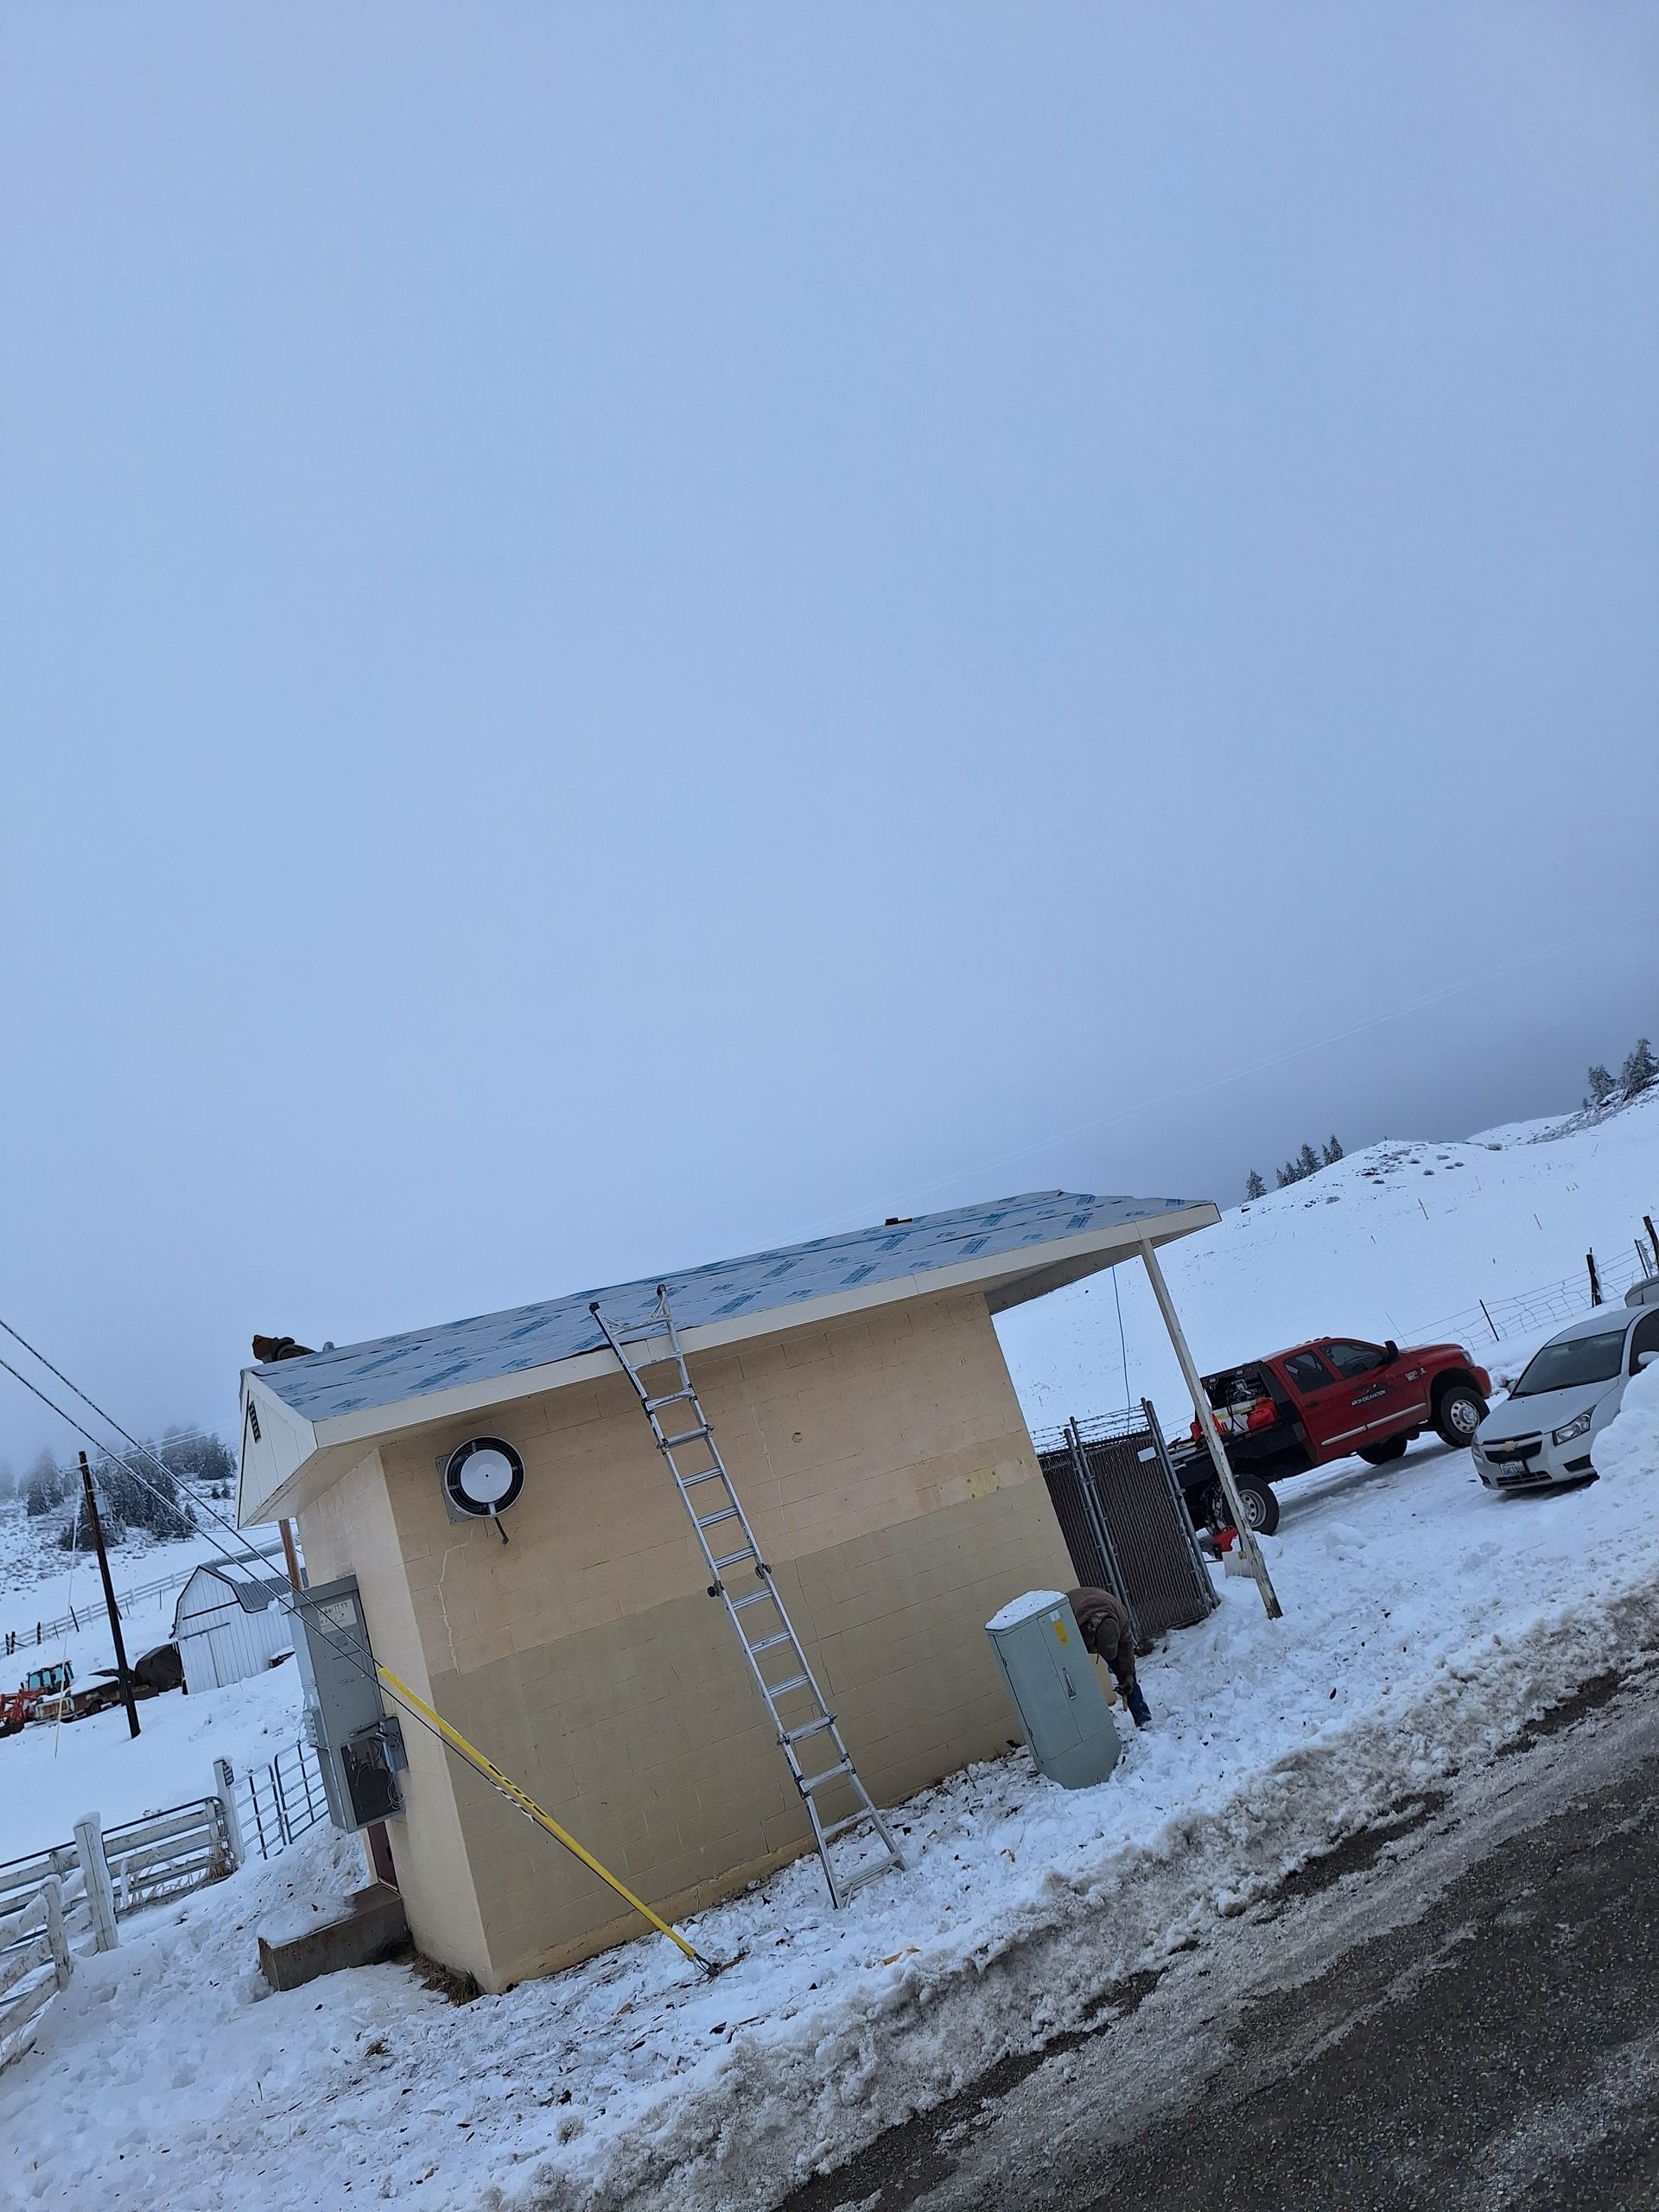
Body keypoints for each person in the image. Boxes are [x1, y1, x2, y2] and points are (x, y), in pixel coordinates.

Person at [1066, 1587, 1152, 1727]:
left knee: (1126, 1675)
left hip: (1101, 1606)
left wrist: (1128, 1674)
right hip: (1076, 1611)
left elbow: (1126, 1648)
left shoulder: (1121, 1618)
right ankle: (1087, 1727)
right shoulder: (1073, 1622)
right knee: (1073, 1679)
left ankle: (1143, 1718)